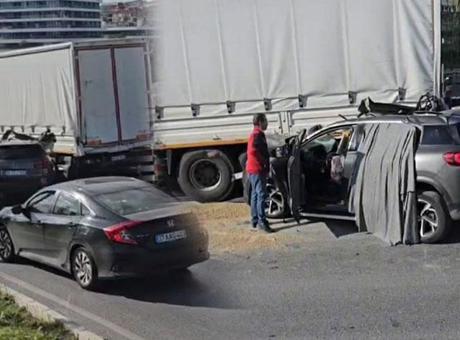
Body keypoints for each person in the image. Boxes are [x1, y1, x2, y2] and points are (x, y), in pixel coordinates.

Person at [246, 113, 274, 233]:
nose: (267, 123)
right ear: (260, 121)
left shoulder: (253, 134)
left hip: (252, 168)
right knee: (261, 194)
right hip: (257, 169)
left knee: (255, 194)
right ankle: (262, 221)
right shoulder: (258, 135)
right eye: (265, 121)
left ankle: (255, 219)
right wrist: (265, 166)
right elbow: (261, 152)